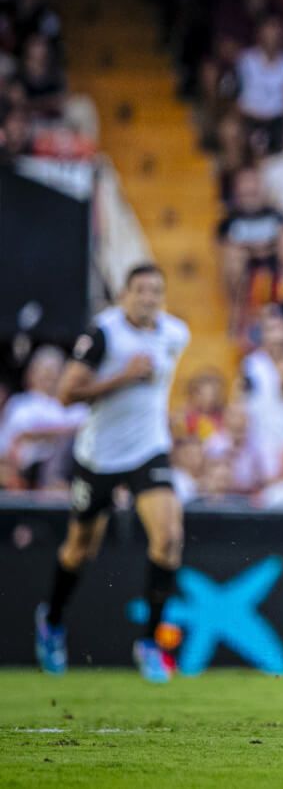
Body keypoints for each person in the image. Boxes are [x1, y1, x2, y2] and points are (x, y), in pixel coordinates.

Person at [34, 264, 191, 683]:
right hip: (99, 455)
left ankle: (151, 642)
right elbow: (67, 395)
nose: (148, 298)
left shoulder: (175, 334)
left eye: (156, 291)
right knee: (80, 548)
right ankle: (51, 620)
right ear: (124, 294)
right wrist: (122, 378)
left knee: (169, 537)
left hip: (148, 450)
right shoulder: (103, 334)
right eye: (140, 290)